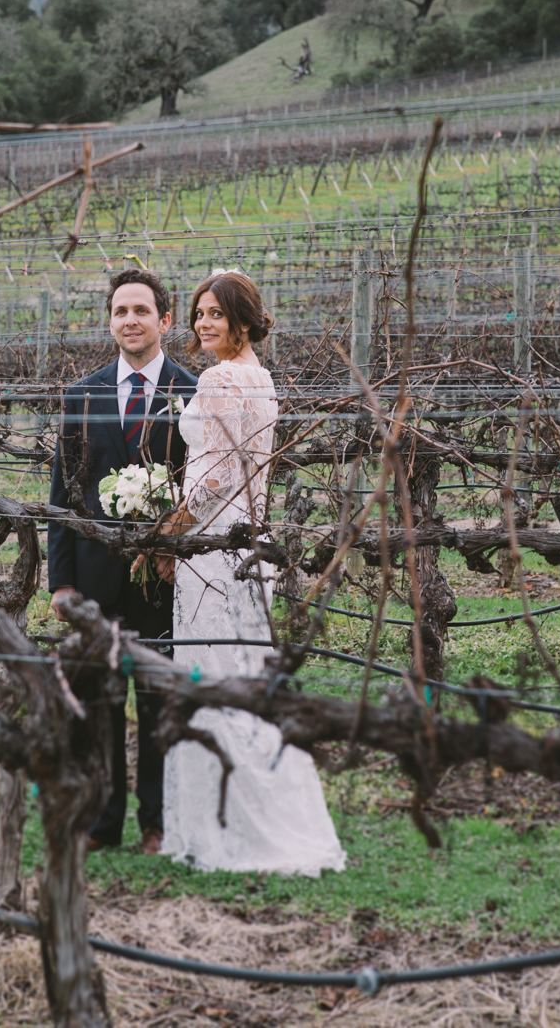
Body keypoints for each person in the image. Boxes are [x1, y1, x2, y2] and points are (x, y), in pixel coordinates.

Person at [156, 269, 346, 876]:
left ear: (242, 319)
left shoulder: (217, 379)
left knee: (211, 677)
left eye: (215, 313)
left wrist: (169, 528)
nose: (203, 323)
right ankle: (253, 815)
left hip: (212, 547)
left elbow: (211, 480)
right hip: (250, 542)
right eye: (199, 313)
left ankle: (226, 830)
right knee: (245, 674)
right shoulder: (261, 379)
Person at [47, 268, 198, 855]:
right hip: (95, 578)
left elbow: (201, 486)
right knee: (99, 707)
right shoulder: (80, 395)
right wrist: (61, 581)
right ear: (110, 321)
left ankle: (157, 823)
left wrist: (176, 552)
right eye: (119, 311)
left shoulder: (192, 391)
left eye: (141, 310)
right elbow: (63, 496)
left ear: (164, 321)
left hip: (164, 580)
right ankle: (103, 824)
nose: (129, 320)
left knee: (158, 702)